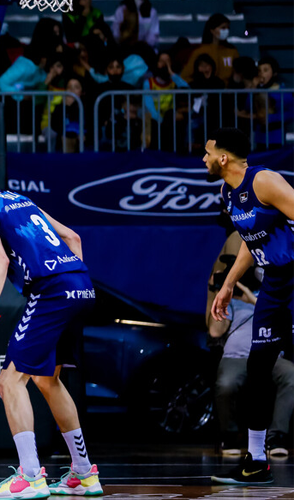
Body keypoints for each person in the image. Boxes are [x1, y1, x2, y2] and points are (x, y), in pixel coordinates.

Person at [0, 145, 102, 499]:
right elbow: (73, 238)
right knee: (47, 380)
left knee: (8, 382)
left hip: (52, 291)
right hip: (81, 284)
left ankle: (31, 476)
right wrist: (74, 281)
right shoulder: (18, 198)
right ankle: (83, 473)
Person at [208, 127, 294, 484]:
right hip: (275, 283)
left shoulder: (265, 181)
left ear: (223, 158)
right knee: (258, 368)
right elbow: (250, 240)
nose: (204, 159)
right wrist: (228, 285)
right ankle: (256, 460)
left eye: (208, 152)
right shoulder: (229, 193)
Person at [207, 233, 294, 458]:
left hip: (270, 355)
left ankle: (277, 437)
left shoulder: (274, 296)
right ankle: (229, 436)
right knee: (225, 384)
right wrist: (221, 291)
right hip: (236, 357)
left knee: (291, 376)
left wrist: (250, 297)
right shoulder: (232, 299)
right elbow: (215, 331)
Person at [181, 14, 238, 84]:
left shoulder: (232, 51)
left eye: (228, 28)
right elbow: (185, 76)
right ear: (212, 30)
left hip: (227, 93)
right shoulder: (200, 51)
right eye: (223, 28)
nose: (226, 30)